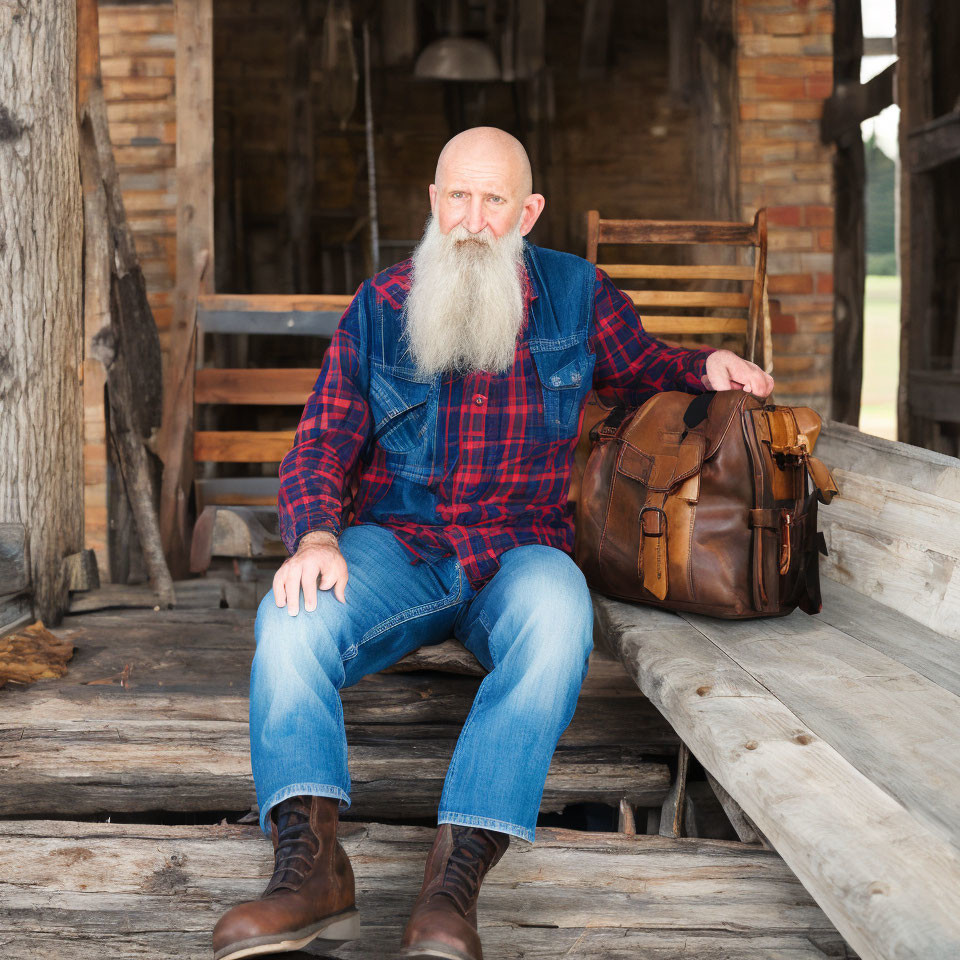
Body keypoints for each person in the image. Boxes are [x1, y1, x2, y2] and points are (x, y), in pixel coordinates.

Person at [211, 126, 775, 960]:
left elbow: (649, 365)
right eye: (459, 198)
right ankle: (309, 870)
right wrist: (316, 535)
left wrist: (709, 366)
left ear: (528, 211)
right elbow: (322, 441)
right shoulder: (381, 305)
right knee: (290, 618)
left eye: (495, 200)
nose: (474, 220)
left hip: (520, 553)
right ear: (435, 203)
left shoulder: (578, 295)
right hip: (396, 549)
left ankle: (453, 885)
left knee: (559, 615)